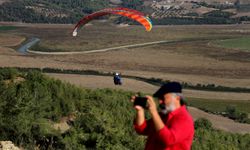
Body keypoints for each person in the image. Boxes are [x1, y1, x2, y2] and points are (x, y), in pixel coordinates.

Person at [131, 82, 194, 150]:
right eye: (159, 99)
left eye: (163, 98)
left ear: (177, 98)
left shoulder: (184, 119)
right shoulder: (162, 116)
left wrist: (154, 112)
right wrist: (140, 111)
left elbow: (169, 139)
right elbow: (142, 129)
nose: (160, 102)